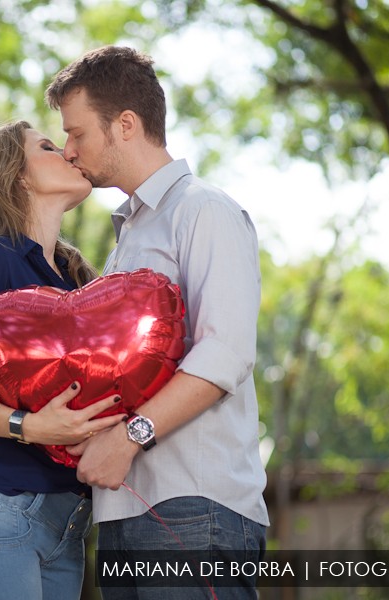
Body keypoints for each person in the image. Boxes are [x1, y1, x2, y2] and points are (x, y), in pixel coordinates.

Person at [46, 46, 270, 599]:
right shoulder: (129, 236)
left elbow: (226, 353)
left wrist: (129, 437)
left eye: (77, 134)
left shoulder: (203, 210)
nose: (69, 151)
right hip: (122, 512)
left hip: (195, 510)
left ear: (126, 124)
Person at [0, 120, 125, 600]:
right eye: (48, 147)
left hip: (68, 526)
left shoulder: (75, 281)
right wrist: (30, 427)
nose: (68, 153)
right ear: (17, 175)